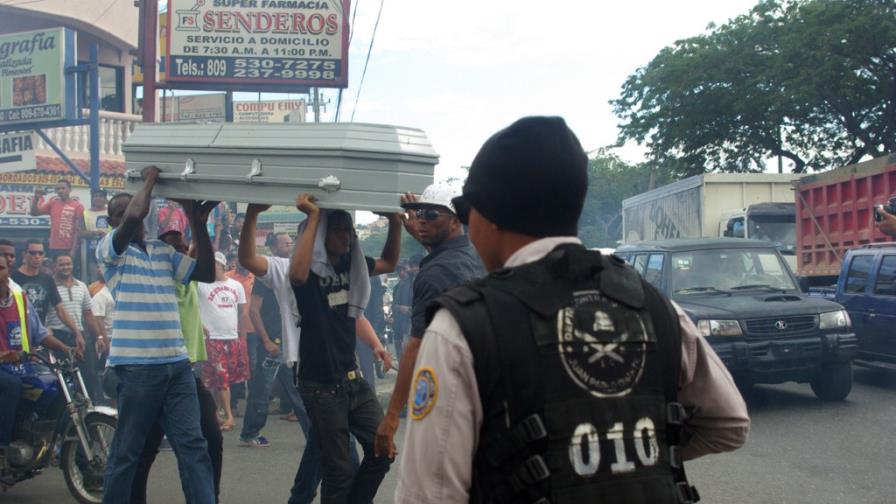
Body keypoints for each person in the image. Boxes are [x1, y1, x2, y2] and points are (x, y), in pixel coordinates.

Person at [396, 116, 750, 503]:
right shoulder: (655, 306)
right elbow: (727, 425)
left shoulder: (462, 326)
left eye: (469, 214)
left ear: (489, 216)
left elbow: (427, 496)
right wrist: (626, 466)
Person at [99, 165, 218, 504]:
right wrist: (151, 178)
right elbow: (135, 216)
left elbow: (207, 273)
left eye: (130, 211)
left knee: (194, 447)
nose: (129, 218)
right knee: (126, 454)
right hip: (136, 369)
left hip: (177, 366)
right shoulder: (110, 252)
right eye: (118, 215)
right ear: (111, 224)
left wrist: (197, 218)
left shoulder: (163, 252)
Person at [289, 194, 399, 503]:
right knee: (338, 472)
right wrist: (313, 218)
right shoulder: (308, 271)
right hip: (320, 386)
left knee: (383, 450)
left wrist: (393, 221)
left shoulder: (354, 266)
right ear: (322, 233)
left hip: (353, 379)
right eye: (337, 229)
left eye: (347, 229)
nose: (346, 236)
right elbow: (296, 274)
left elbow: (390, 262)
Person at [375, 181, 486, 459]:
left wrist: (391, 416)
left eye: (432, 215)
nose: (422, 221)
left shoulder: (437, 272)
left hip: (450, 396)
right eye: (420, 214)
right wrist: (423, 237)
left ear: (455, 221)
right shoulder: (473, 254)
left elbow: (415, 346)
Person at [128, 228, 225, 504]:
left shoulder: (191, 279)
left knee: (212, 438)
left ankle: (210, 496)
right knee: (143, 449)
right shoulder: (158, 284)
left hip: (185, 374)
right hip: (153, 373)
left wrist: (201, 221)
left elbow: (201, 254)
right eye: (175, 249)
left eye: (184, 249)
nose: (182, 253)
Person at [0, 254, 78, 448]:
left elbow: (40, 334)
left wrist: (66, 348)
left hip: (23, 365)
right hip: (5, 369)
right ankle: (3, 445)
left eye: (0, 268)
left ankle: (37, 436)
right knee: (12, 386)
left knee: (59, 384)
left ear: (8, 271)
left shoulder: (19, 298)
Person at [198, 251, 250, 432]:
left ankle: (218, 412)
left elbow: (243, 313)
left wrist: (242, 338)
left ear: (221, 265)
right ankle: (228, 415)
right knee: (220, 379)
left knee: (222, 379)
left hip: (232, 337)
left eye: (214, 265)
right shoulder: (201, 285)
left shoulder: (236, 286)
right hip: (212, 338)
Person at [45, 253, 105, 399]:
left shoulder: (82, 286)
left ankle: (90, 413)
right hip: (57, 337)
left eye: (68, 264)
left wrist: (99, 336)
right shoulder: (48, 286)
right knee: (61, 378)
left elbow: (88, 314)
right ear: (54, 266)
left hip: (80, 337)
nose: (66, 267)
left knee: (88, 375)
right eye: (61, 264)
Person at [12, 239, 85, 354]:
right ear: (24, 254)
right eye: (32, 253)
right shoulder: (12, 278)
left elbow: (60, 310)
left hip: (39, 337)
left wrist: (77, 333)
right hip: (15, 335)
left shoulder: (47, 279)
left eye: (40, 253)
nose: (37, 256)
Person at [30, 179, 85, 259]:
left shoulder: (78, 206)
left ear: (70, 189)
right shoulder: (53, 203)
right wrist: (36, 198)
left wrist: (73, 250)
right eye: (58, 189)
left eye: (63, 188)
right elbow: (34, 213)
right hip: (54, 247)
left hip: (69, 248)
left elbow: (78, 230)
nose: (60, 191)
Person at [78, 189, 110, 281]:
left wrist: (107, 235)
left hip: (108, 250)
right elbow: (80, 233)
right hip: (91, 251)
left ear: (105, 199)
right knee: (94, 277)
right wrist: (94, 233)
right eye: (96, 196)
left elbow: (118, 229)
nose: (98, 198)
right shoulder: (85, 213)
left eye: (100, 196)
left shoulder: (111, 212)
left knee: (108, 277)